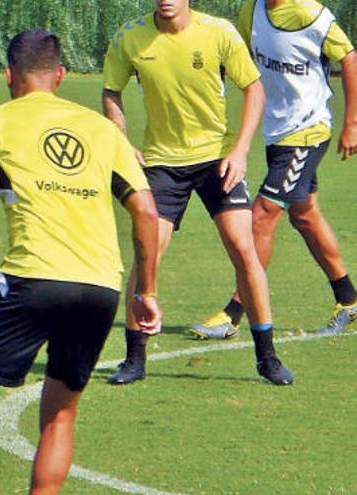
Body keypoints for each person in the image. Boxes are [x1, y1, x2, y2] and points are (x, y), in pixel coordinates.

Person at [0, 30, 161, 494]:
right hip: (100, 287)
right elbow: (146, 210)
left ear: (8, 75)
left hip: (31, 278)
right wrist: (145, 290)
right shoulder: (103, 129)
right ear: (61, 76)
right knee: (60, 415)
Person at [101, 0, 295, 385]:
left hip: (217, 160)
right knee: (147, 254)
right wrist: (121, 142)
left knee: (243, 249)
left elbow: (254, 89)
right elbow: (111, 90)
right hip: (161, 164)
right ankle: (134, 357)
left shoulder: (219, 32)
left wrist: (239, 150)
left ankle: (267, 357)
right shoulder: (130, 37)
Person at [191, 0, 357, 339]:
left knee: (263, 214)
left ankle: (234, 313)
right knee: (305, 214)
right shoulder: (251, 11)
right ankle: (349, 300)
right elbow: (231, 55)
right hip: (276, 132)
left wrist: (352, 122)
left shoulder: (310, 13)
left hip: (308, 131)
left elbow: (350, 58)